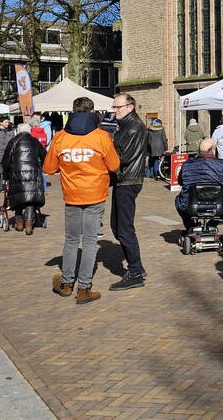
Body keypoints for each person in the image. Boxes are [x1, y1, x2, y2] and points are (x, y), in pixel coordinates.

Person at [44, 97, 121, 304]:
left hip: (72, 195)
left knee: (71, 240)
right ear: (92, 111)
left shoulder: (60, 137)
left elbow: (48, 168)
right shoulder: (101, 136)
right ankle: (84, 288)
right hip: (95, 194)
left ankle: (67, 283)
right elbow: (114, 165)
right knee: (89, 242)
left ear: (73, 111)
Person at [109, 93, 149, 291]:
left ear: (130, 107)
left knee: (124, 228)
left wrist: (104, 157)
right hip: (123, 179)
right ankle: (137, 268)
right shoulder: (125, 125)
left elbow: (124, 157)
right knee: (117, 226)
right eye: (114, 107)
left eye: (118, 107)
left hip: (128, 180)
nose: (114, 111)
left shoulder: (134, 127)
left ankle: (135, 272)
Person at [175, 138, 223, 231]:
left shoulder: (187, 165)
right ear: (214, 150)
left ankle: (190, 226)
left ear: (199, 151)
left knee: (179, 200)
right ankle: (211, 225)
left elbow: (180, 182)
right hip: (219, 207)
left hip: (192, 206)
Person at [2, 123, 47, 235]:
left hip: (17, 173)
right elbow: (44, 156)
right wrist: (41, 167)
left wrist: (5, 174)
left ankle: (19, 221)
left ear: (17, 131)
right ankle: (29, 223)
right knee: (30, 197)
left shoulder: (13, 141)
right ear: (30, 131)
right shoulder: (34, 141)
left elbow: (6, 160)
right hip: (33, 173)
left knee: (18, 196)